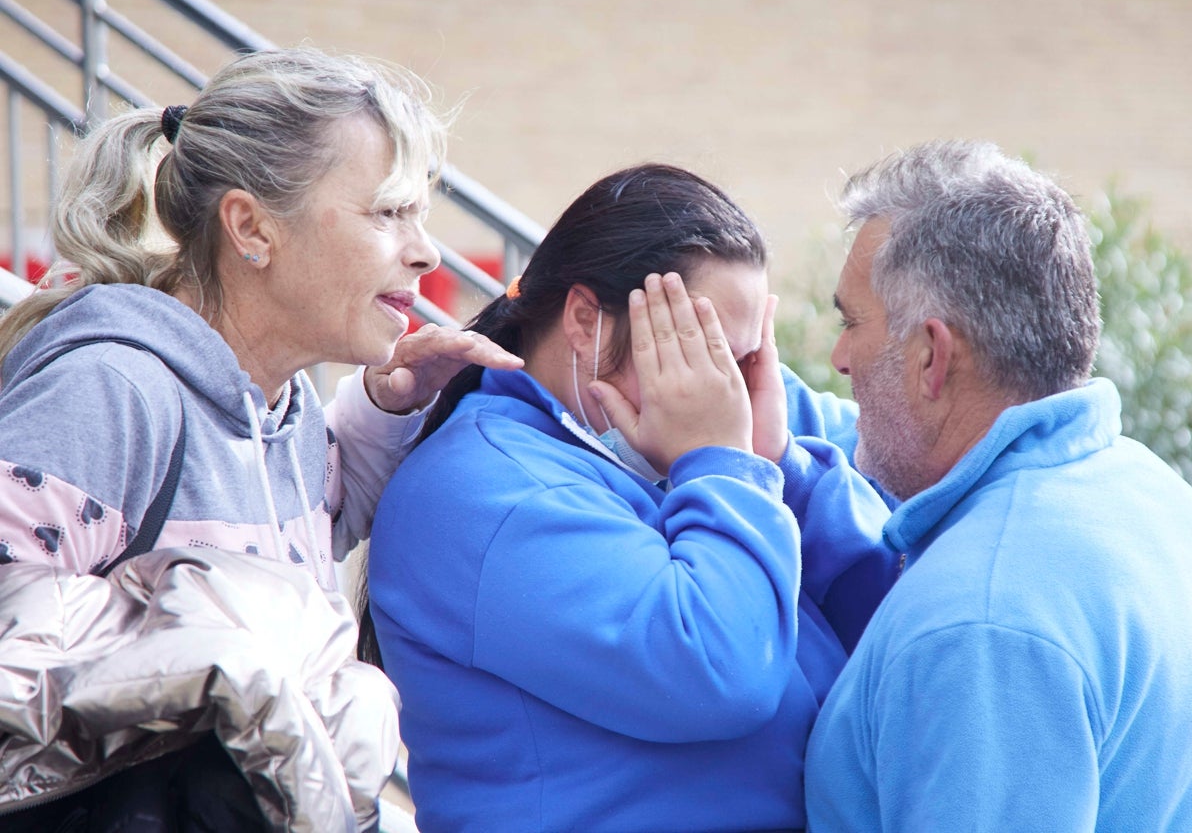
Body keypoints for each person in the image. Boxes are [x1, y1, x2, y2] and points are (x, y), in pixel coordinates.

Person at [0, 47, 518, 829]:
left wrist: (385, 408)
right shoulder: (111, 391)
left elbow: (280, 542)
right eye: (387, 211)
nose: (425, 250)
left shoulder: (287, 410)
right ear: (250, 227)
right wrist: (214, 665)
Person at [367, 163, 898, 833]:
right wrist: (728, 469)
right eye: (699, 354)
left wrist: (781, 463)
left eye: (742, 362)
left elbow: (902, 578)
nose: (727, 392)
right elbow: (721, 672)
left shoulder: (701, 426)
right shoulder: (480, 494)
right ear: (586, 320)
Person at [804, 139, 1192, 832]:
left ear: (931, 356)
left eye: (850, 322)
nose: (838, 359)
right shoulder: (1148, 492)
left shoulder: (979, 625)